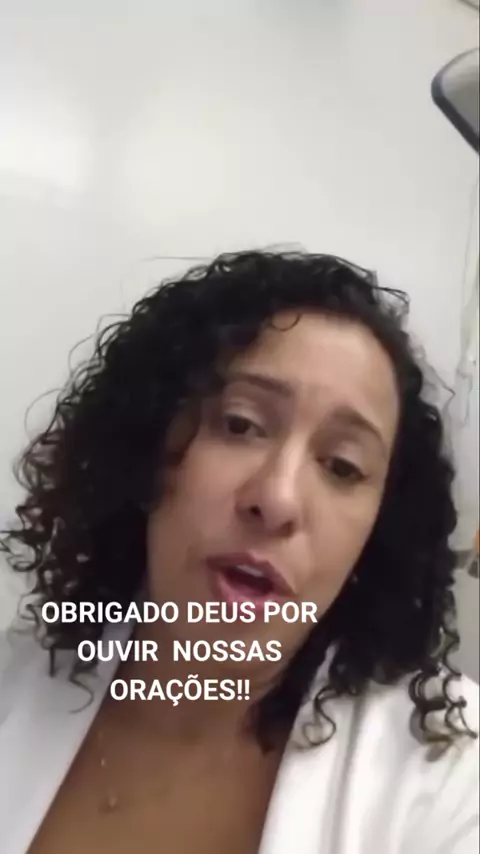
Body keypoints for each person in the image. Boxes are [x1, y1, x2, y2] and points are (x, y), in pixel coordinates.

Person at [0, 250, 478, 854]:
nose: (277, 499)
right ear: (147, 451)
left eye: (342, 465)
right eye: (240, 424)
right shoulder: (19, 682)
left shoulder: (449, 771)